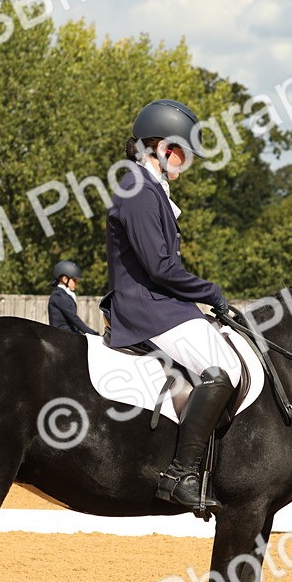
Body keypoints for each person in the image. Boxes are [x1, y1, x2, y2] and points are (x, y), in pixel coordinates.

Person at [101, 98, 240, 511]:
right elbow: (160, 267)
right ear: (162, 148)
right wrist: (210, 293)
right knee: (222, 372)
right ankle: (180, 475)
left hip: (163, 304)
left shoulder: (150, 190)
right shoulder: (137, 189)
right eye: (183, 151)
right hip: (147, 308)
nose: (188, 162)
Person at [47, 260, 99, 335]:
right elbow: (73, 318)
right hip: (60, 336)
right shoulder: (57, 296)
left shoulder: (65, 295)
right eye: (74, 280)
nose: (76, 283)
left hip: (69, 334)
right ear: (65, 279)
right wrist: (91, 333)